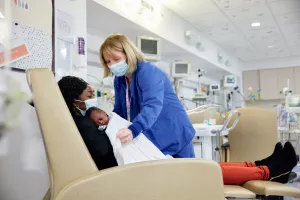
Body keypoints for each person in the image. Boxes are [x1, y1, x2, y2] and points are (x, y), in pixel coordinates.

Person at [99, 34, 196, 158]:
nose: (112, 65)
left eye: (116, 59)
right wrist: (110, 123)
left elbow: (152, 104)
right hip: (153, 132)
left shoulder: (147, 71)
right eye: (108, 61)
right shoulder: (119, 80)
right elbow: (120, 109)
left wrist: (133, 129)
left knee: (187, 174)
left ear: (129, 54)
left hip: (174, 129)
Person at [58, 76, 118, 170]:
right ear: (75, 102)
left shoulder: (73, 120)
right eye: (89, 97)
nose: (93, 99)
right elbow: (105, 154)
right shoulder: (84, 124)